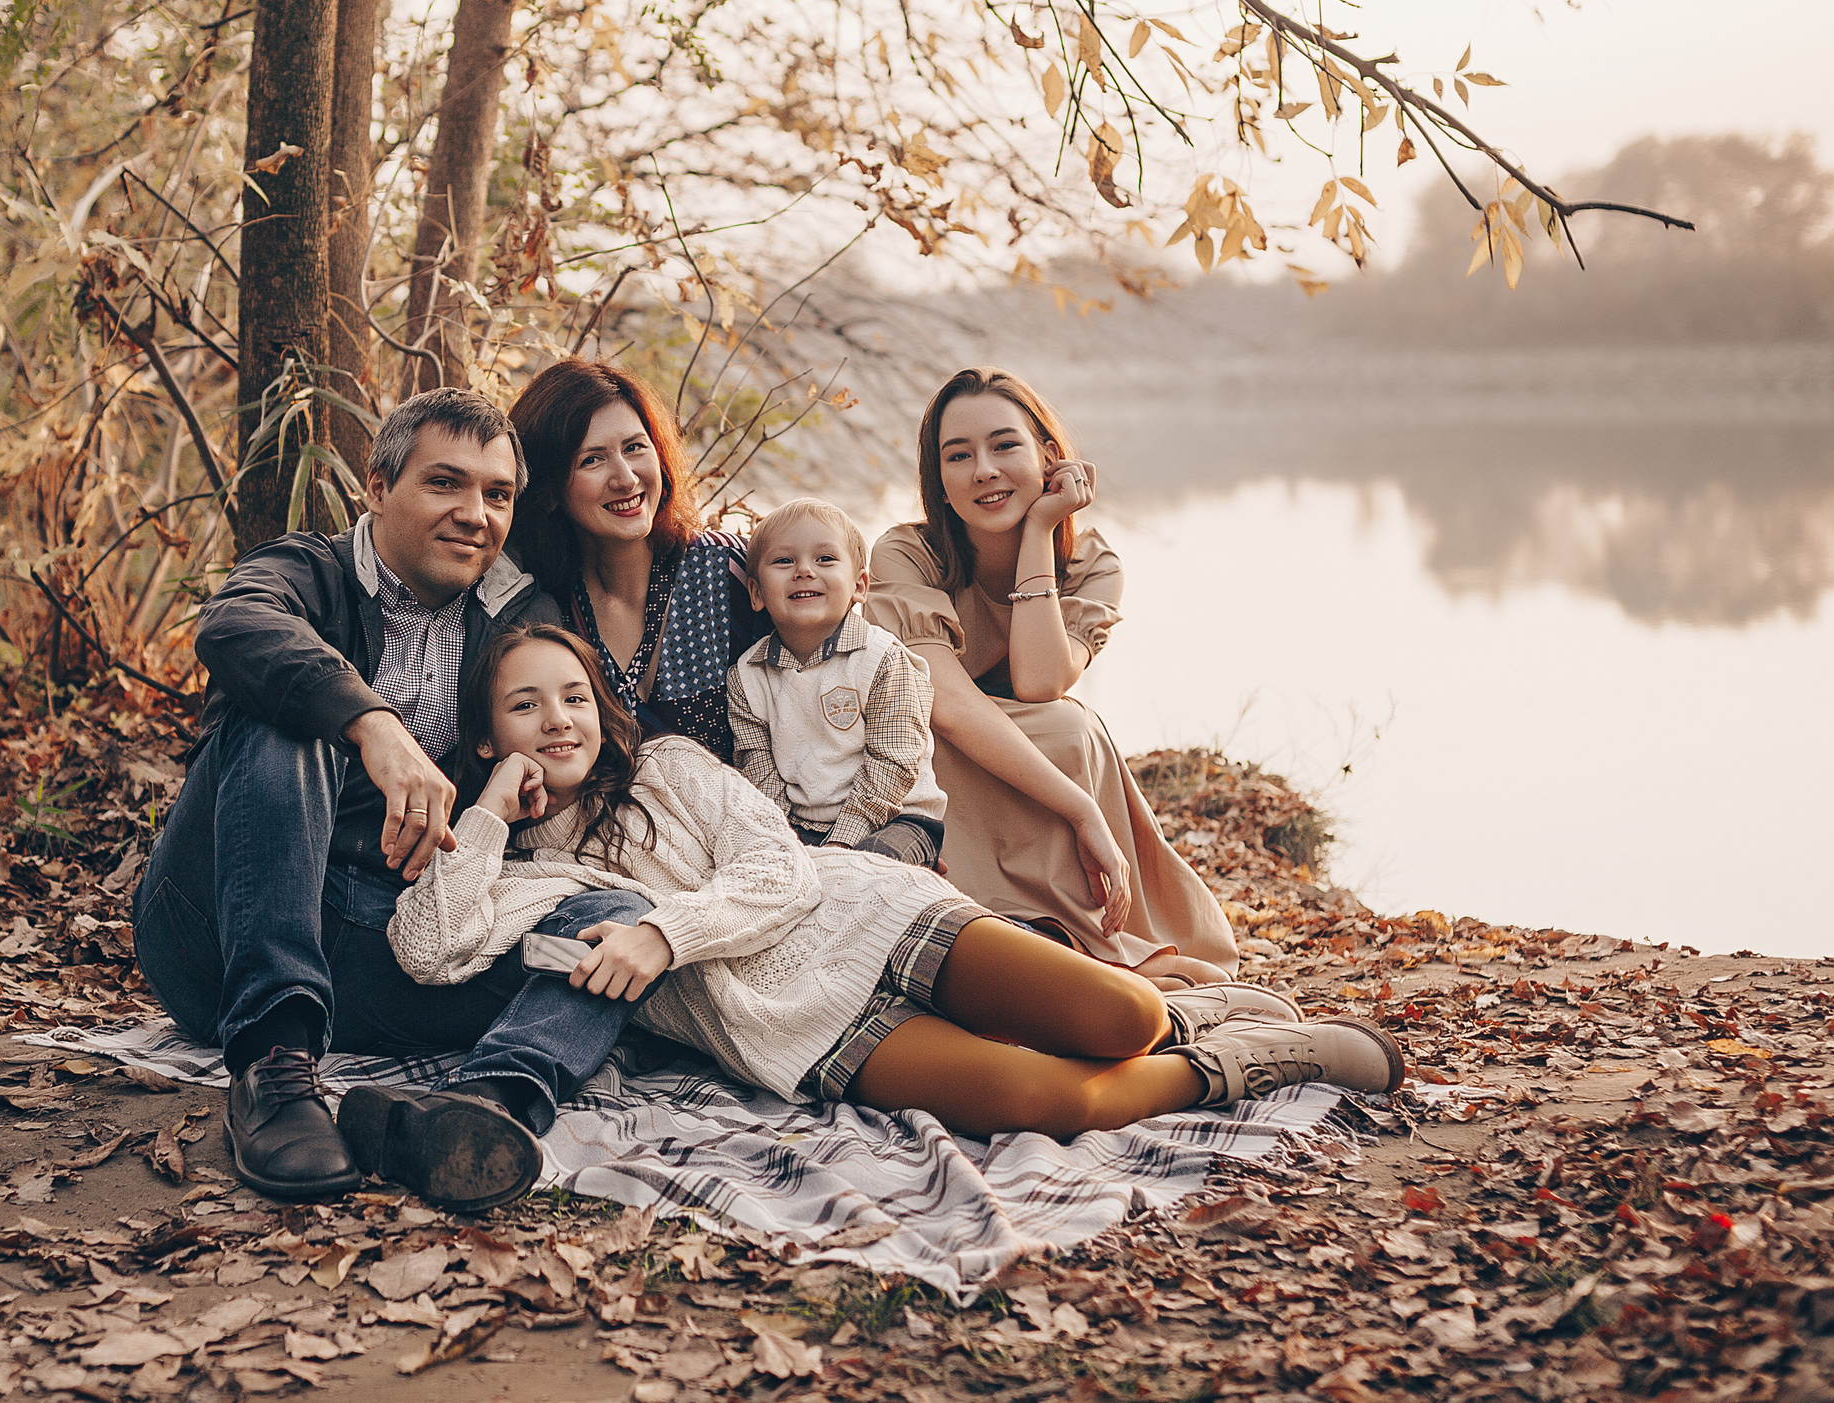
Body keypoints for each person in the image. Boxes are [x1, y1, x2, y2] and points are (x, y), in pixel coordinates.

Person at [388, 625, 1403, 1140]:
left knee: (1120, 1018)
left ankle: (1186, 1012)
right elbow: (428, 949)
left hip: (864, 916)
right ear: (486, 734)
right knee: (1044, 1098)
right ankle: (1254, 1060)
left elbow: (779, 869)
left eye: (573, 696)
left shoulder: (666, 768)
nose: (558, 719)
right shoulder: (520, 873)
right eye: (526, 706)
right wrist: (488, 809)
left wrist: (664, 933)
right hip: (789, 1024)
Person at [133, 390, 653, 1212]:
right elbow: (234, 623)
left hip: (388, 940)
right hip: (222, 937)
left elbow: (572, 740)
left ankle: (478, 1108)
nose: (475, 514)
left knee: (615, 918)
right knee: (284, 717)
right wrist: (373, 725)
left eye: (497, 494)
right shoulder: (309, 569)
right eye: (445, 483)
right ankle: (274, 1062)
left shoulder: (518, 615)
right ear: (376, 488)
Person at [867, 367, 1240, 987]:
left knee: (1066, 726)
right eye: (958, 456)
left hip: (1028, 758)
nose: (984, 470)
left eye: (1004, 445)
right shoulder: (907, 555)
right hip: (930, 756)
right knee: (1063, 732)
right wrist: (1082, 810)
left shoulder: (1091, 563)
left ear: (1048, 457)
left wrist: (1040, 530)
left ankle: (1086, 932)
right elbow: (946, 707)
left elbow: (1039, 683)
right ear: (940, 481)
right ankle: (1038, 930)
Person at [506, 356, 767, 763]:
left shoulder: (731, 570)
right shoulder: (541, 610)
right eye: (592, 459)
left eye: (634, 448)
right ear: (549, 489)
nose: (626, 478)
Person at [724, 498, 946, 868]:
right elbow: (758, 772)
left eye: (825, 559)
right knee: (765, 872)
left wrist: (840, 847)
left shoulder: (883, 660)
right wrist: (784, 843)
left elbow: (893, 764)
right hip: (800, 825)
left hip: (896, 818)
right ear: (757, 593)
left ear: (859, 586)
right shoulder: (747, 677)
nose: (804, 571)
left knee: (866, 872)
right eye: (784, 561)